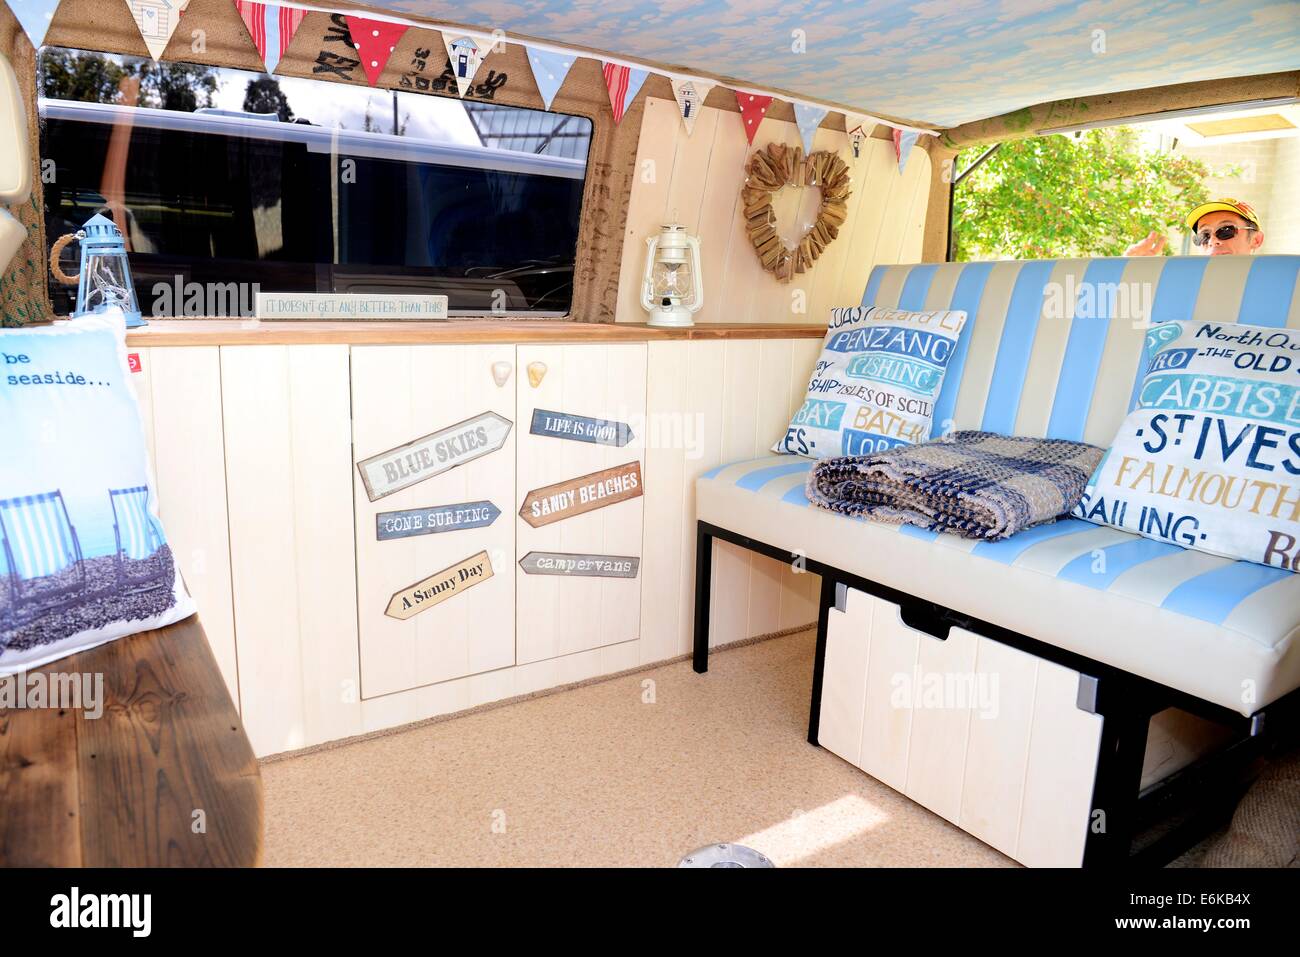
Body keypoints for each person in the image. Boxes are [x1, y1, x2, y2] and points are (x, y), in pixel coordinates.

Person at [1124, 197, 1264, 256]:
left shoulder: (1278, 288)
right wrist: (1132, 274)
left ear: (1256, 240)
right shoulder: (1178, 286)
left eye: (1226, 230)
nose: (1212, 241)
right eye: (1204, 236)